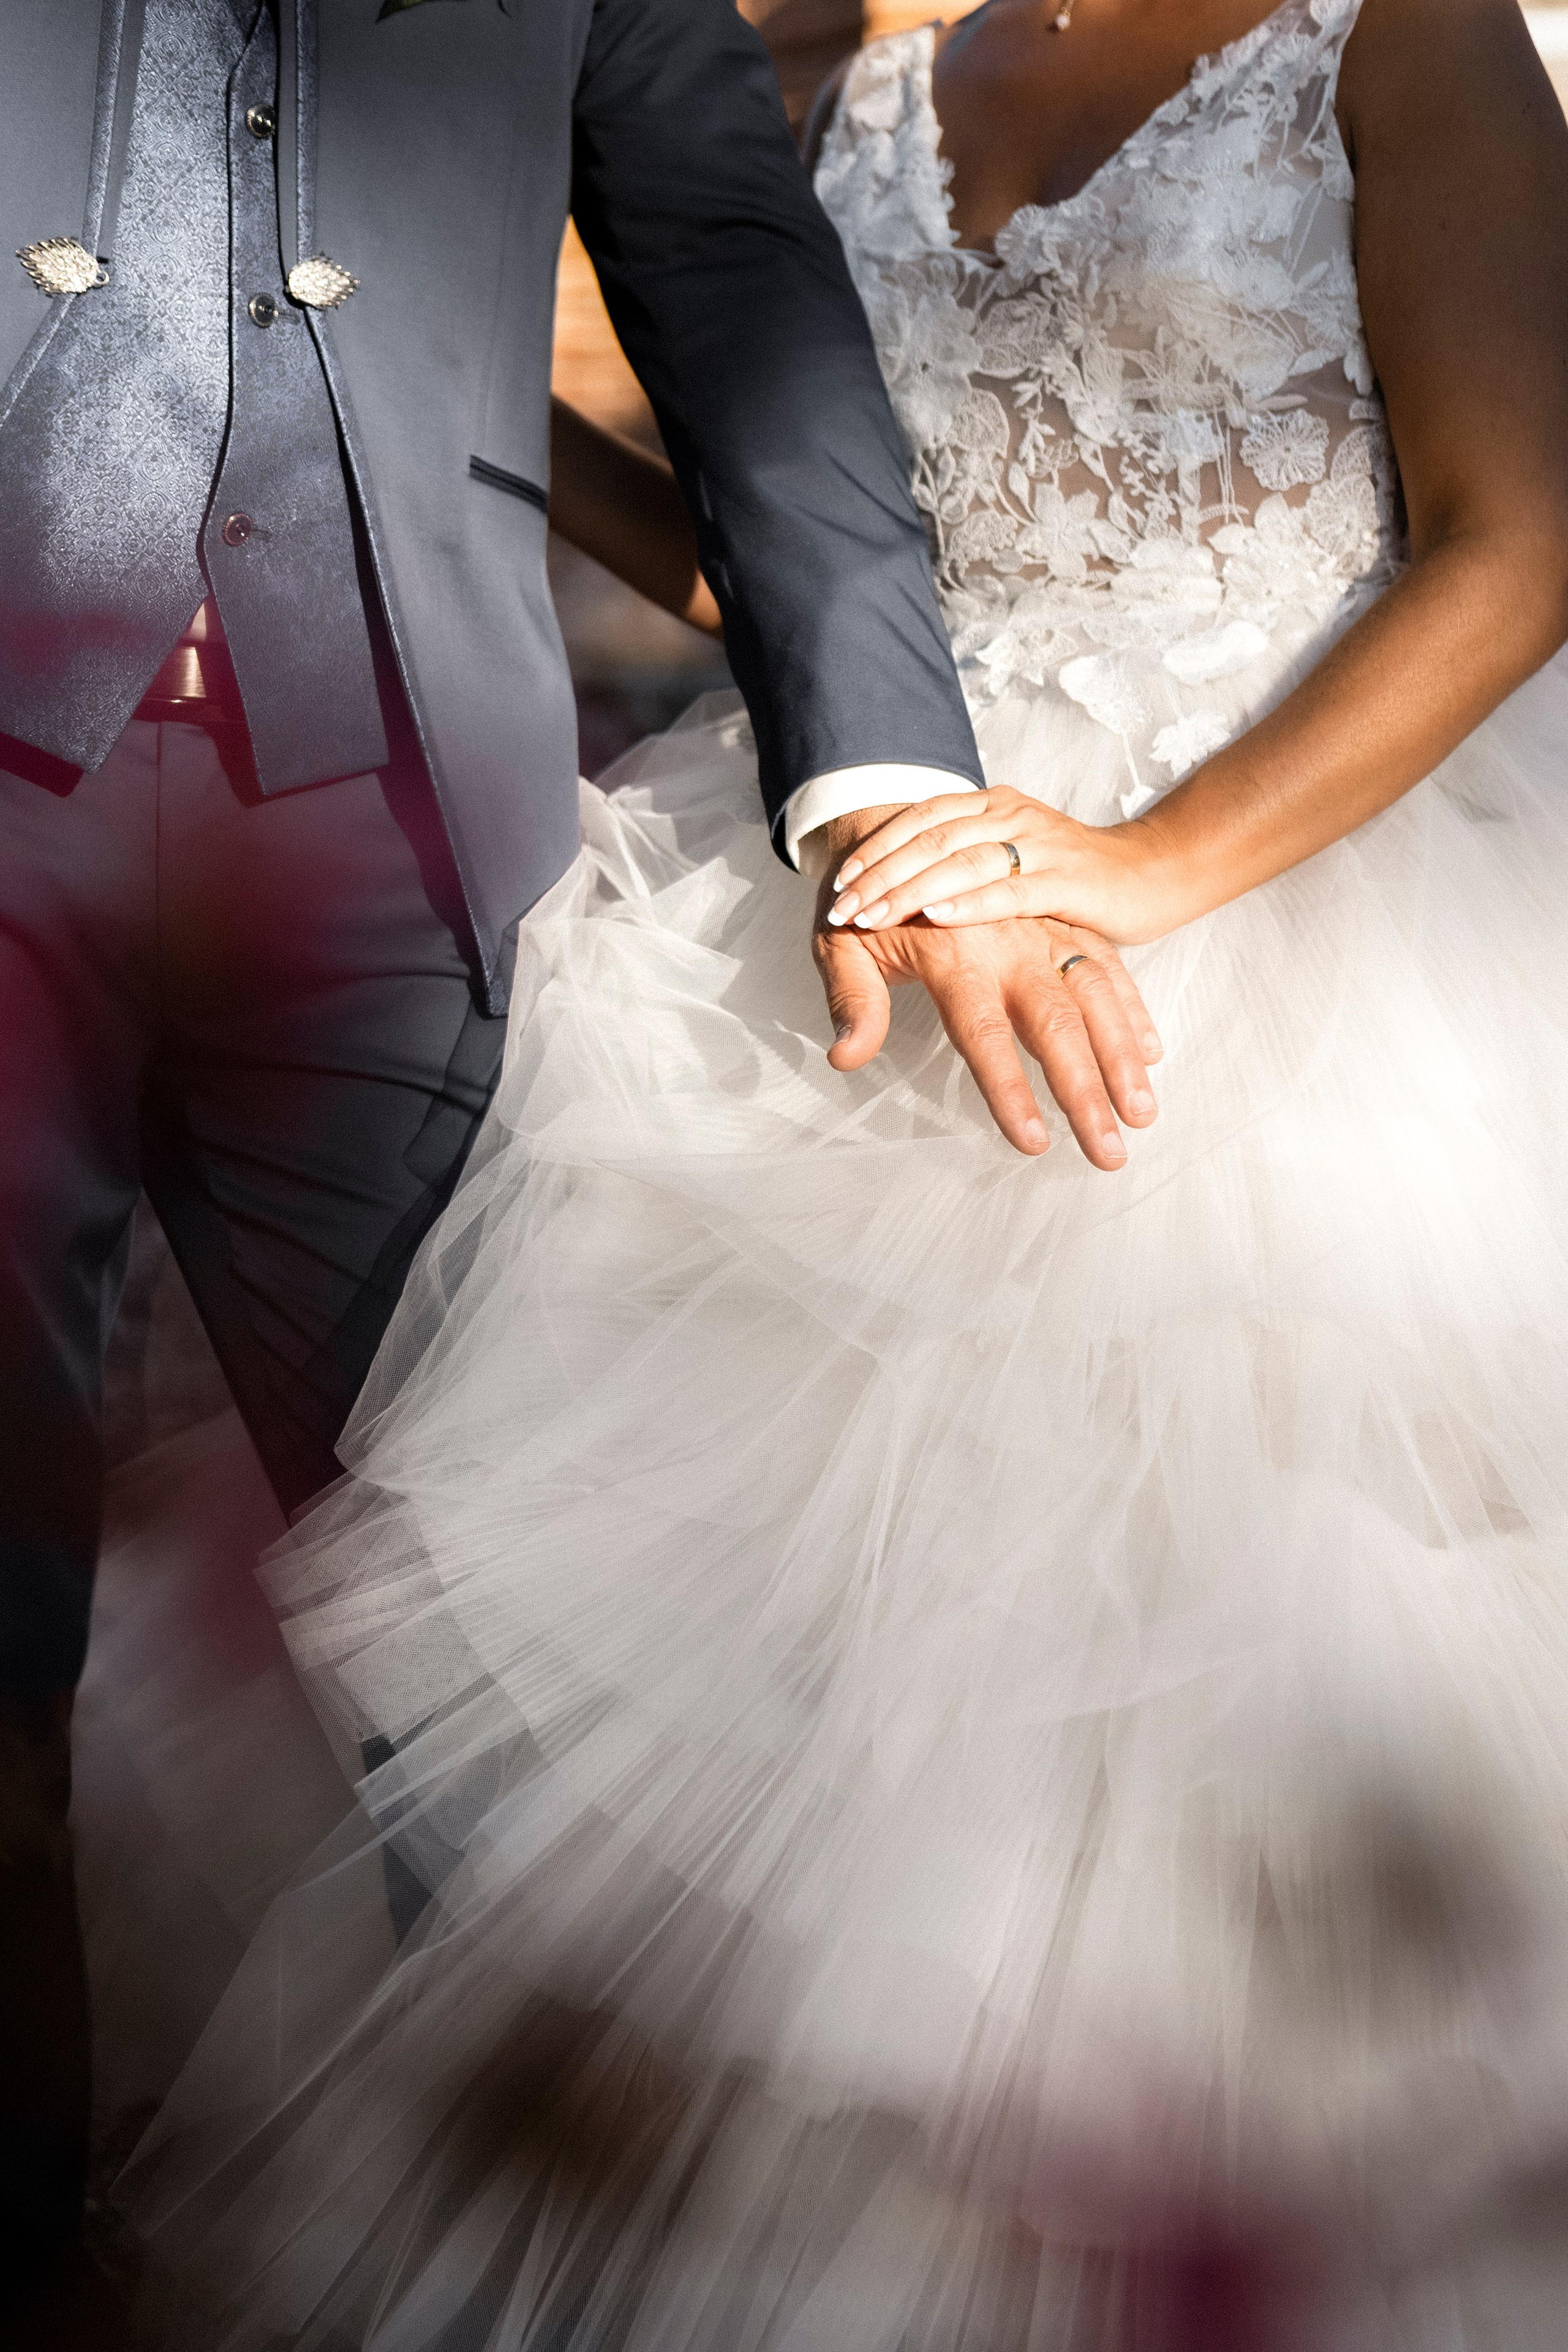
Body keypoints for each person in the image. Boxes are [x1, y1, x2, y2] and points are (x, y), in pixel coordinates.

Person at [121, 0, 1568, 2343]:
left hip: (1261, 903)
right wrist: (458, 411)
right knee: (760, 1717)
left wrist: (1155, 865)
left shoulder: (1400, 35)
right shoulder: (890, 76)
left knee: (1182, 1685)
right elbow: (788, 546)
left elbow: (1525, 542)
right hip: (867, 879)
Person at [0, 0, 1108, 2335]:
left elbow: (730, 286)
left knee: (472, 1610)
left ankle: (541, 2284)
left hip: (390, 814)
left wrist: (888, 778)